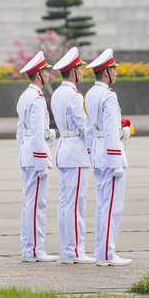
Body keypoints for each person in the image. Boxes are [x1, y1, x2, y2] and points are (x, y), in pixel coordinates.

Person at [84, 48, 132, 266]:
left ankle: (101, 252)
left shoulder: (91, 93)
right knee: (112, 206)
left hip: (98, 151)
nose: (116, 73)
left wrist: (93, 152)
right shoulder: (108, 95)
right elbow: (113, 129)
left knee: (103, 205)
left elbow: (87, 129)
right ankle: (106, 254)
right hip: (110, 154)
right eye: (114, 69)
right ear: (106, 72)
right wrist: (116, 161)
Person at [50, 47, 96, 264]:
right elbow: (85, 127)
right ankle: (75, 251)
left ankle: (67, 249)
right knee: (76, 204)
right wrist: (95, 148)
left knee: (66, 203)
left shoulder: (58, 93)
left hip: (63, 149)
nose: (83, 72)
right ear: (73, 72)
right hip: (76, 152)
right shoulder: (74, 96)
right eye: (80, 69)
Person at [16, 51, 58, 262]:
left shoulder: (25, 95)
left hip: (27, 154)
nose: (49, 76)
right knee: (36, 204)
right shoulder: (38, 99)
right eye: (46, 72)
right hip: (35, 156)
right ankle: (34, 250)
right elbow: (36, 133)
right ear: (38, 75)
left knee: (29, 202)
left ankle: (29, 248)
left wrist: (21, 154)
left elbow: (20, 131)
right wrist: (42, 161)